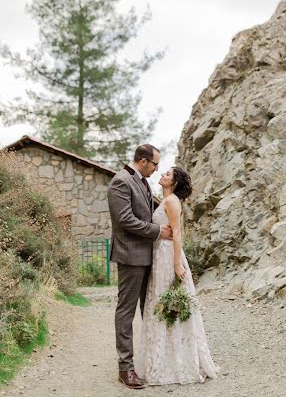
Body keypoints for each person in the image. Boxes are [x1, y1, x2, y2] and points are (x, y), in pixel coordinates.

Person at [138, 166, 218, 385]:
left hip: (167, 256)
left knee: (169, 302)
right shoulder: (164, 200)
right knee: (160, 303)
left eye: (167, 175)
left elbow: (177, 233)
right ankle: (164, 360)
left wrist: (176, 263)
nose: (162, 175)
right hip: (159, 255)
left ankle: (181, 362)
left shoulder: (172, 201)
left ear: (173, 183)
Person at [107, 144, 173, 390]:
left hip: (148, 256)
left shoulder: (143, 182)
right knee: (126, 311)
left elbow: (149, 212)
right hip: (130, 256)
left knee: (150, 308)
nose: (157, 169)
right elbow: (124, 219)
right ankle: (126, 368)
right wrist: (158, 231)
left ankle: (152, 360)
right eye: (155, 164)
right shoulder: (120, 182)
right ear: (143, 161)